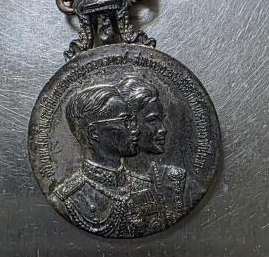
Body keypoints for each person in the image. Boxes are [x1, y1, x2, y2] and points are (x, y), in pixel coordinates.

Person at [49, 84, 149, 238]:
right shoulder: (67, 200)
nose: (135, 130)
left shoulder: (148, 186)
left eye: (132, 120)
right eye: (125, 121)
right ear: (93, 132)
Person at [118, 77, 186, 225]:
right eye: (153, 120)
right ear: (129, 124)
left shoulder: (178, 180)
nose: (163, 129)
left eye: (161, 120)